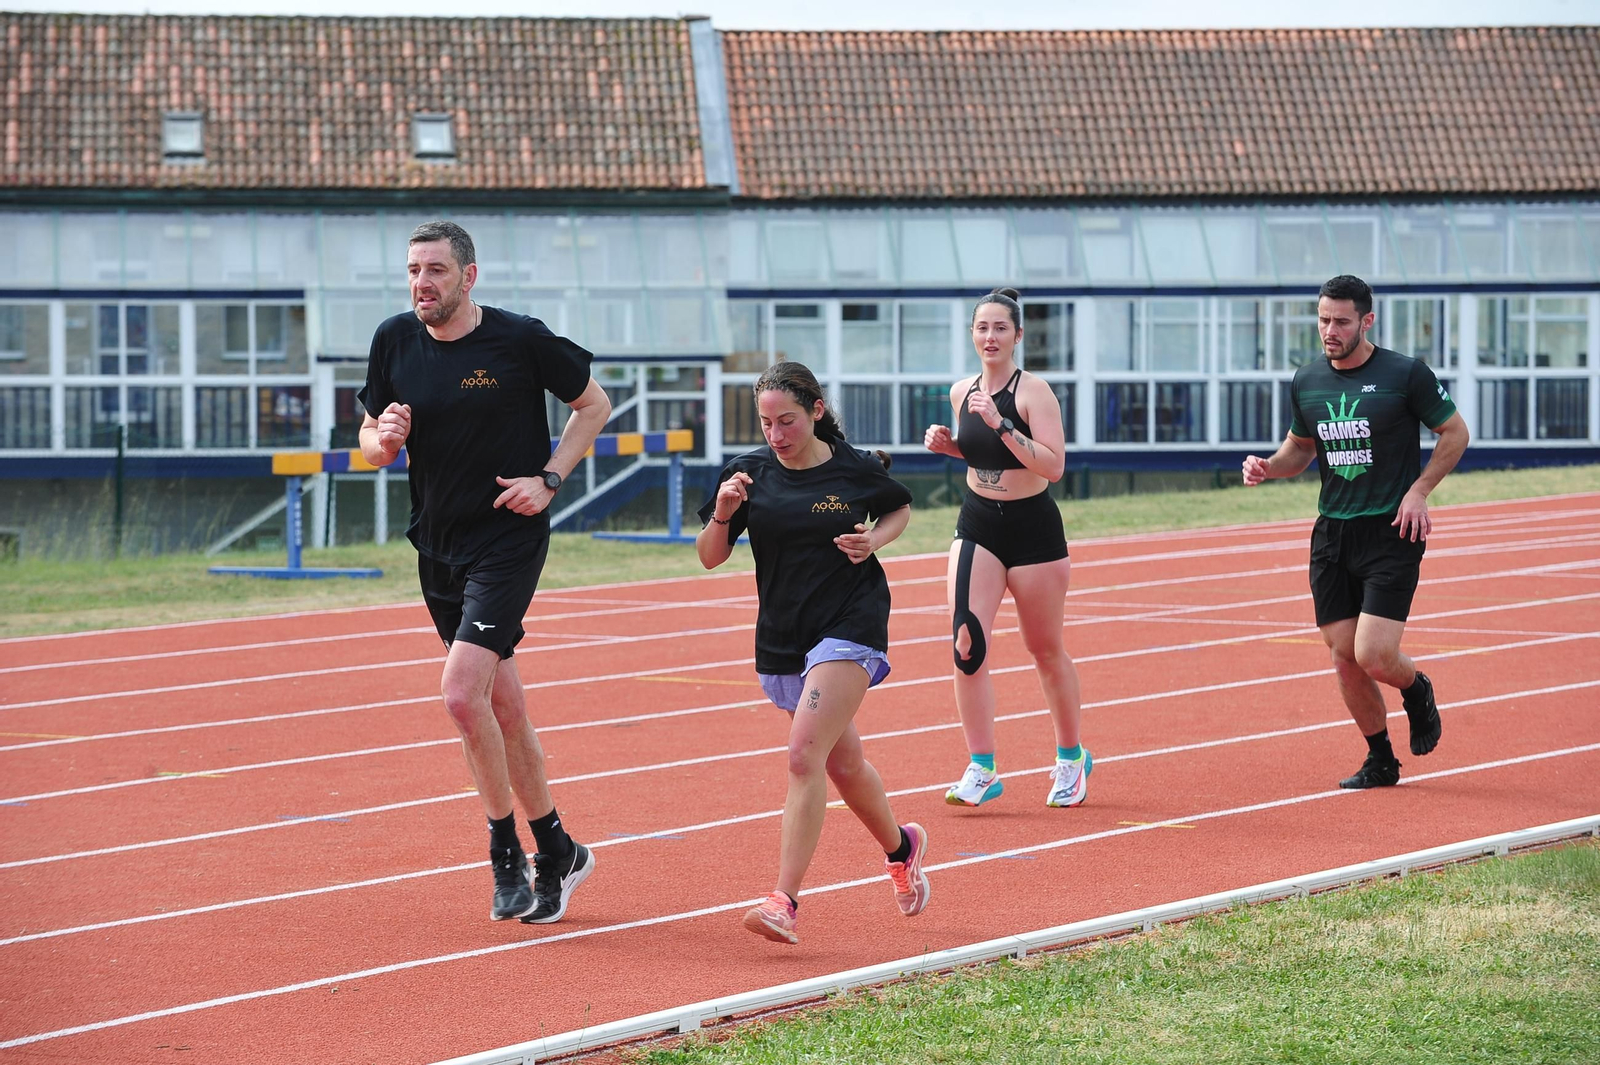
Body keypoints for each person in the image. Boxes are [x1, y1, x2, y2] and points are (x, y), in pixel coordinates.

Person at [358, 220, 611, 923]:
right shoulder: (394, 340)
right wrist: (382, 441)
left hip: (508, 536)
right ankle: (557, 845)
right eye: (413, 269)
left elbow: (595, 405)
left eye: (436, 269)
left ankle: (507, 853)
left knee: (463, 696)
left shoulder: (518, 339)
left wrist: (551, 477)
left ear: (469, 276)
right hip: (436, 545)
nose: (421, 283)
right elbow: (370, 433)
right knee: (504, 706)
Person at [696, 361, 929, 945]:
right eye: (767, 423)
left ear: (817, 412)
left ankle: (784, 902)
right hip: (784, 635)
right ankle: (902, 849)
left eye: (789, 421)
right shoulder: (748, 474)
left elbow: (899, 506)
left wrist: (874, 539)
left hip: (851, 621)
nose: (777, 434)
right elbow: (709, 556)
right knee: (840, 763)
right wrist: (724, 513)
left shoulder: (854, 468)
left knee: (803, 755)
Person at [1243, 274, 1469, 789]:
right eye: (1323, 319)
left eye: (1341, 321)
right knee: (1344, 658)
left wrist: (1420, 491)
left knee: (1372, 653)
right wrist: (1267, 467)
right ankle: (1381, 759)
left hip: (1391, 528)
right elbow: (1300, 448)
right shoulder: (1307, 380)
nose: (1330, 330)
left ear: (1367, 321)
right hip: (1332, 534)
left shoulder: (1404, 374)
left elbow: (1455, 432)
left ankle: (1416, 688)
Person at [923, 287, 1089, 809]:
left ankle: (1070, 758)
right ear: (971, 335)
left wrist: (1001, 424)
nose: (989, 337)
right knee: (966, 644)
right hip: (978, 525)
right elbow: (980, 458)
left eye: (1000, 328)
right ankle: (982, 765)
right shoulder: (960, 390)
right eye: (981, 328)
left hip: (1033, 531)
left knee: (1044, 649)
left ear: (1018, 336)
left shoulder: (1034, 393)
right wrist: (953, 448)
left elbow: (1053, 466)